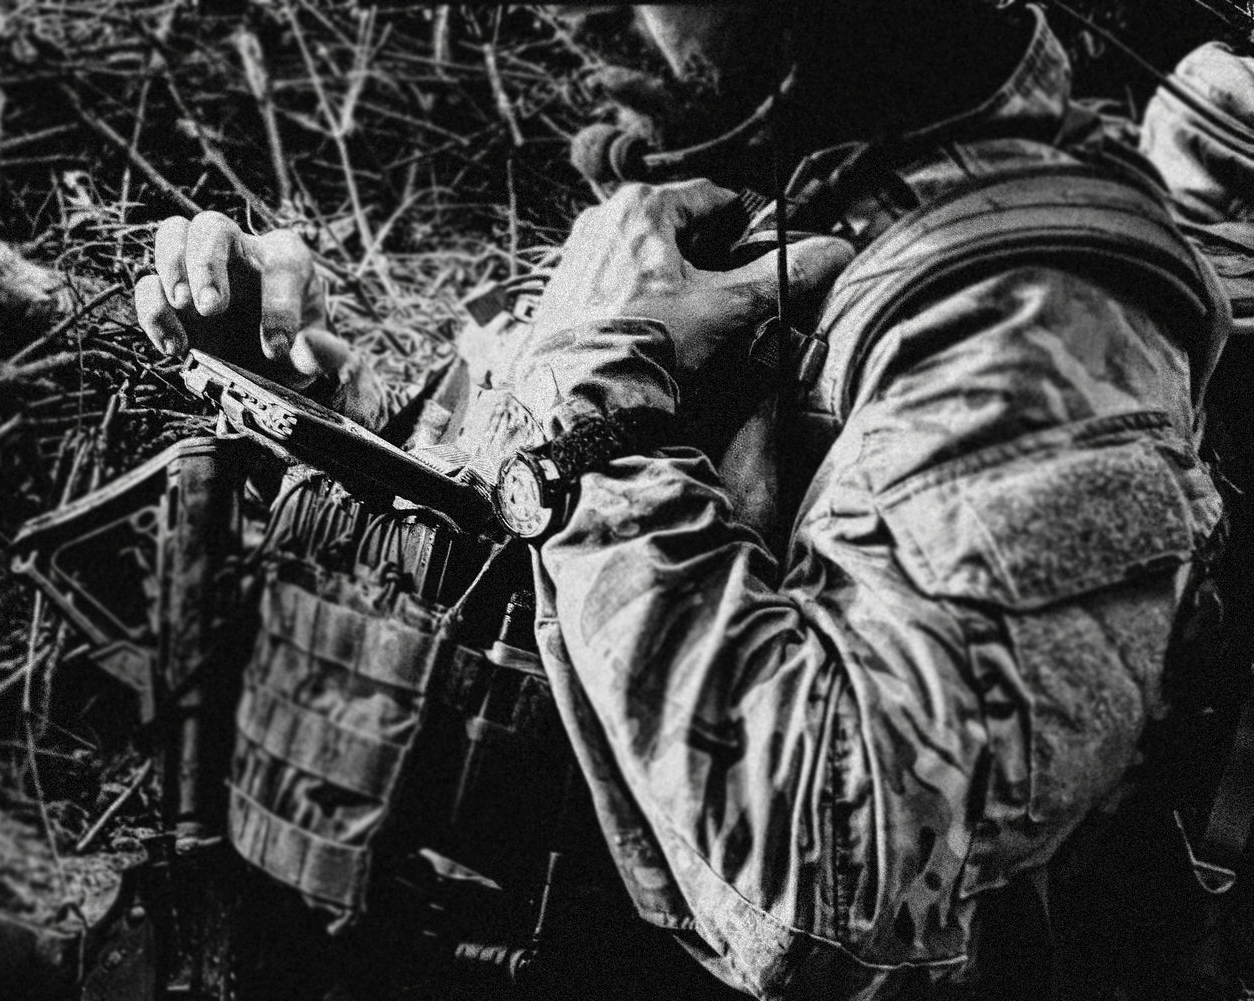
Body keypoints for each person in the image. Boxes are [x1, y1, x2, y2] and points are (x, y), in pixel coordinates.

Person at [138, 3, 1243, 997]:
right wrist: (306, 402)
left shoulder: (1033, 318)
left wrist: (593, 412)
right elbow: (521, 587)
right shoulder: (753, 169)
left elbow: (851, 901)